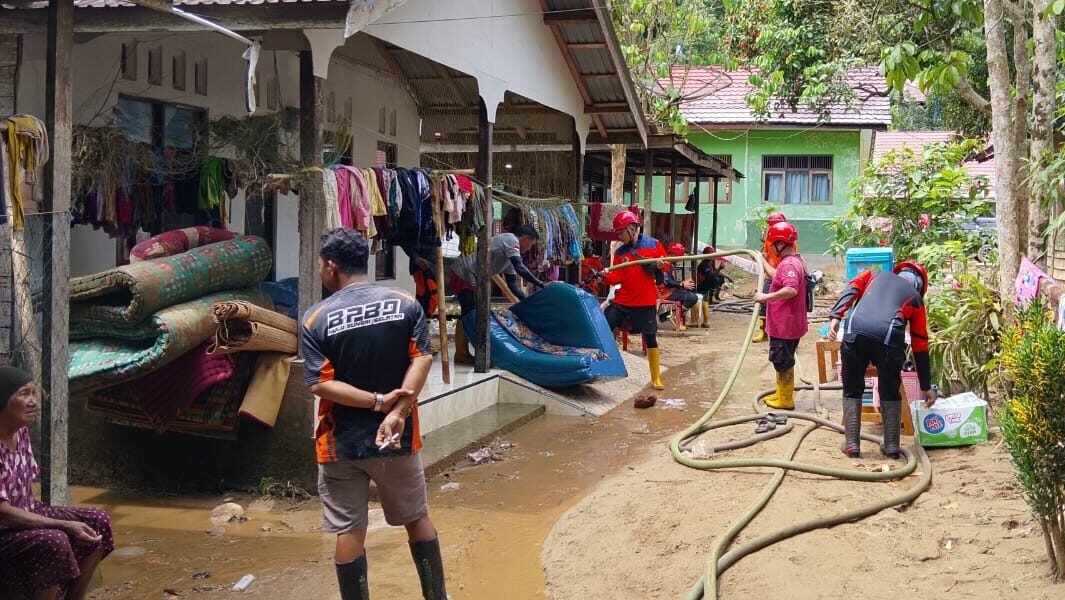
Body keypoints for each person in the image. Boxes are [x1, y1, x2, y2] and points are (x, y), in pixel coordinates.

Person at [301, 228, 446, 600]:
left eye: (320, 263)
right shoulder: (405, 303)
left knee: (349, 531)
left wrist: (377, 401)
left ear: (331, 266)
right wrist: (397, 410)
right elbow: (423, 358)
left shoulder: (316, 318)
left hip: (339, 444)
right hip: (396, 439)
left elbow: (320, 384)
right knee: (416, 519)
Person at [0, 366, 114, 600]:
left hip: (25, 512)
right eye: (23, 394)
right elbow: (2, 512)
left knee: (98, 522)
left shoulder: (20, 432)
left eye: (33, 393)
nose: (33, 402)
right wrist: (61, 524)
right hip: (4, 528)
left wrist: (59, 522)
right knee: (55, 540)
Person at [827, 260, 937, 459]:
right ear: (920, 286)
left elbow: (852, 288)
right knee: (889, 390)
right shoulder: (915, 299)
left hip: (854, 331)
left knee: (853, 387)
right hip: (888, 340)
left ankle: (852, 443)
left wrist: (836, 315)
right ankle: (892, 445)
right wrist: (926, 385)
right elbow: (920, 343)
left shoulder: (874, 274)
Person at [592, 211, 669, 390]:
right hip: (623, 300)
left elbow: (667, 264)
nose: (619, 237)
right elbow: (617, 276)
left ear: (632, 229)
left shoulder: (653, 244)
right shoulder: (620, 252)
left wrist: (660, 264)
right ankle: (598, 367)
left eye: (621, 233)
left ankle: (656, 377)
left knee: (650, 338)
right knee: (604, 327)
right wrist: (603, 277)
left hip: (645, 300)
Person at [449, 224, 545, 364]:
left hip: (474, 277)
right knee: (469, 313)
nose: (529, 248)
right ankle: (461, 353)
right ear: (525, 238)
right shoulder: (511, 240)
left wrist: (527, 301)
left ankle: (464, 353)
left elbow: (512, 285)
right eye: (530, 244)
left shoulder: (511, 256)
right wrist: (541, 284)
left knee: (471, 312)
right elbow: (520, 268)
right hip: (464, 272)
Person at [752, 221, 808, 410]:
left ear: (780, 244)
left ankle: (785, 400)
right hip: (790, 325)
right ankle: (782, 393)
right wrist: (763, 262)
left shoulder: (789, 264)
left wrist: (765, 297)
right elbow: (777, 275)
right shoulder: (793, 262)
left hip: (785, 325)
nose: (771, 248)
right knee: (784, 360)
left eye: (773, 244)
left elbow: (791, 289)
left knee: (782, 361)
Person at [753, 212, 789, 343]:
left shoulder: (786, 241)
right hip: (770, 276)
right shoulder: (769, 241)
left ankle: (781, 333)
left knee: (782, 305)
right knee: (763, 305)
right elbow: (768, 256)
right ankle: (763, 332)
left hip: (782, 276)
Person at [660, 242, 701, 331]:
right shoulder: (665, 263)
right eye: (679, 256)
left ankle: (671, 314)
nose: (680, 259)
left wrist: (682, 283)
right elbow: (666, 281)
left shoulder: (669, 263)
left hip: (668, 291)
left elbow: (671, 281)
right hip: (664, 293)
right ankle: (673, 314)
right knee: (693, 298)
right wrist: (682, 284)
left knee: (689, 294)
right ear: (674, 255)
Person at [695, 245, 726, 328]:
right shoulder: (705, 264)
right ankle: (698, 321)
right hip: (701, 285)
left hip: (704, 285)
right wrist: (719, 268)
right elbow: (711, 275)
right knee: (699, 300)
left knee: (704, 301)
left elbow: (714, 273)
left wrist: (726, 276)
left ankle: (705, 321)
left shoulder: (709, 263)